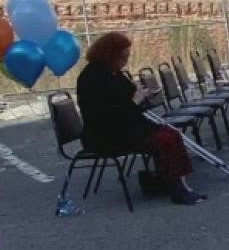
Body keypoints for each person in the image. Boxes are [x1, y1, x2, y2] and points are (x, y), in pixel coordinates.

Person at [75, 31, 205, 206]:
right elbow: (107, 116)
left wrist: (143, 95)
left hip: (126, 127)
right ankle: (176, 190)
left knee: (171, 134)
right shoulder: (92, 78)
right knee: (164, 139)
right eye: (123, 57)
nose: (125, 61)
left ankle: (178, 183)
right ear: (110, 55)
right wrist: (136, 101)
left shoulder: (114, 73)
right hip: (106, 135)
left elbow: (128, 100)